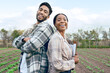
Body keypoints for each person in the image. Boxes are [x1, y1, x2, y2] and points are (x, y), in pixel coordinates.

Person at [13, 2, 54, 73]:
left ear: (48, 17)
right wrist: (23, 39)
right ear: (37, 11)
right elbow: (14, 42)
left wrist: (21, 45)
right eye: (40, 9)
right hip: (24, 68)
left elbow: (31, 46)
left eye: (45, 12)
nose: (41, 12)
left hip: (36, 69)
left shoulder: (46, 27)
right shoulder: (31, 28)